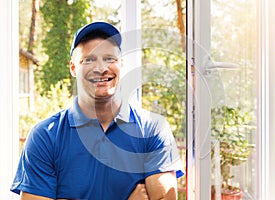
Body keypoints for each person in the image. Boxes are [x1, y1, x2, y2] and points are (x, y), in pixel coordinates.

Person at [11, 21, 184, 199]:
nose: (101, 68)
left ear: (121, 64)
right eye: (89, 59)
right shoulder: (45, 136)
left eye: (110, 59)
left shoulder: (153, 129)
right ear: (73, 68)